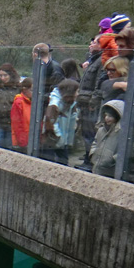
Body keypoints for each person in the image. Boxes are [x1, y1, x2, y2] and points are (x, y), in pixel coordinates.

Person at [76, 37, 105, 170]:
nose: (90, 44)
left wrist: (93, 101)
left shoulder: (101, 61)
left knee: (90, 134)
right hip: (84, 102)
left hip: (90, 104)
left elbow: (99, 84)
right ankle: (87, 158)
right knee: (85, 133)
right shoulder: (93, 60)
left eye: (93, 43)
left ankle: (89, 162)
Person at [42, 78, 78, 165]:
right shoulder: (55, 104)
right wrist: (59, 138)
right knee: (49, 163)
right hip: (54, 140)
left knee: (64, 163)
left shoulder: (71, 103)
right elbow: (50, 122)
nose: (78, 93)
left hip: (63, 141)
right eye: (77, 91)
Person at [90, 99, 124, 177]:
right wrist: (92, 154)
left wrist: (112, 160)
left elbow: (129, 150)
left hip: (110, 171)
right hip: (96, 167)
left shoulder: (122, 133)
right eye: (105, 115)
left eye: (110, 116)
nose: (107, 118)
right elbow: (95, 142)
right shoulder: (101, 129)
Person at [11, 77, 33, 151]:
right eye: (32, 90)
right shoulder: (19, 102)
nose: (35, 93)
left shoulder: (33, 102)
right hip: (21, 143)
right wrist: (23, 142)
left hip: (30, 140)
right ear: (24, 89)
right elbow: (17, 125)